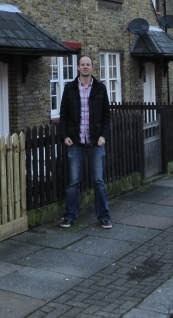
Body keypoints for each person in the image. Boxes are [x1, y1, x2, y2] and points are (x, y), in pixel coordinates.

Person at [58, 55, 112, 229]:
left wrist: (104, 135)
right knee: (73, 181)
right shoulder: (70, 88)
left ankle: (104, 216)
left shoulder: (100, 88)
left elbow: (106, 115)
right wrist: (65, 135)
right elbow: (64, 114)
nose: (85, 67)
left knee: (99, 181)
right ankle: (70, 215)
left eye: (88, 64)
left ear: (93, 67)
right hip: (76, 143)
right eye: (82, 64)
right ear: (78, 67)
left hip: (96, 143)